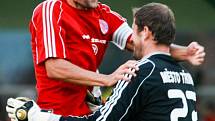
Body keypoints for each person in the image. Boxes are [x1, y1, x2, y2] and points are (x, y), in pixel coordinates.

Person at [7, 2, 201, 121]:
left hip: (90, 114)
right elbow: (54, 67)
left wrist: (185, 53)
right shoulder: (50, 10)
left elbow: (145, 43)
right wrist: (106, 79)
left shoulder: (104, 14)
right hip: (56, 113)